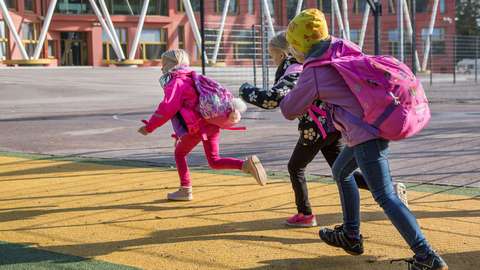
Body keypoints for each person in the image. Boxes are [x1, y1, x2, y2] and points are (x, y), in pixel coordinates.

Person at [280, 9, 447, 270]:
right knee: (341, 171)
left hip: (365, 134)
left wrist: (285, 91)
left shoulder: (314, 72)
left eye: (294, 46)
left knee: (385, 195)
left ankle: (426, 255)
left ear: (302, 45)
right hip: (373, 123)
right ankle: (350, 235)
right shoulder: (342, 48)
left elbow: (290, 109)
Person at [240, 32, 371, 227]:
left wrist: (245, 90)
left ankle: (305, 214)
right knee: (341, 170)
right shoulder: (304, 65)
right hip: (331, 126)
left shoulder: (294, 69)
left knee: (295, 167)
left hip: (315, 129)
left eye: (272, 55)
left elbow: (272, 98)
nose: (272, 59)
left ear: (283, 54)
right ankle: (387, 189)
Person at [138, 49, 267, 201]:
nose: (161, 68)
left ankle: (185, 189)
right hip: (211, 124)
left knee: (179, 154)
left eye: (164, 64)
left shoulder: (176, 82)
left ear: (172, 65)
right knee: (214, 161)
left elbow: (167, 108)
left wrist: (149, 127)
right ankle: (246, 165)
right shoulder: (195, 77)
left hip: (195, 128)